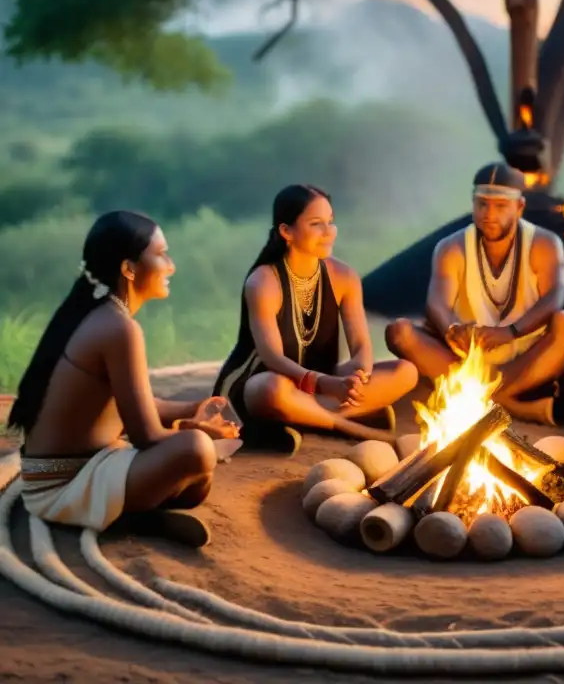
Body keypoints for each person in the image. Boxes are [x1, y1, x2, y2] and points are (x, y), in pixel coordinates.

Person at [11, 211, 235, 548]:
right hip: (60, 485)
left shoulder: (108, 317)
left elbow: (138, 405)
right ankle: (128, 518)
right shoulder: (118, 328)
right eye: (160, 254)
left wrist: (195, 406)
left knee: (197, 481)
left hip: (89, 465)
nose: (171, 265)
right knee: (198, 451)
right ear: (129, 269)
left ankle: (132, 514)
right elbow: (146, 435)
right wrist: (198, 430)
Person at [214, 184, 418, 454]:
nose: (328, 232)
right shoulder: (264, 282)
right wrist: (326, 385)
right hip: (267, 384)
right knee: (269, 389)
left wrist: (358, 376)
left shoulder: (344, 276)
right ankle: (351, 426)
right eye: (316, 224)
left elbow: (361, 346)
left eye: (330, 222)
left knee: (405, 372)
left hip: (319, 386)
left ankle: (304, 418)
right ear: (286, 231)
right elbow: (272, 358)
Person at [385, 162, 564, 425]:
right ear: (473, 203)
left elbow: (554, 297)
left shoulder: (544, 244)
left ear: (519, 207)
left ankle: (476, 397)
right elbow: (437, 302)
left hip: (524, 361)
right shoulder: (451, 247)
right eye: (482, 204)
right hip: (467, 357)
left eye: (500, 206)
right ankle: (511, 405)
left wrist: (510, 332)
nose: (489, 214)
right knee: (400, 332)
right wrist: (453, 329)